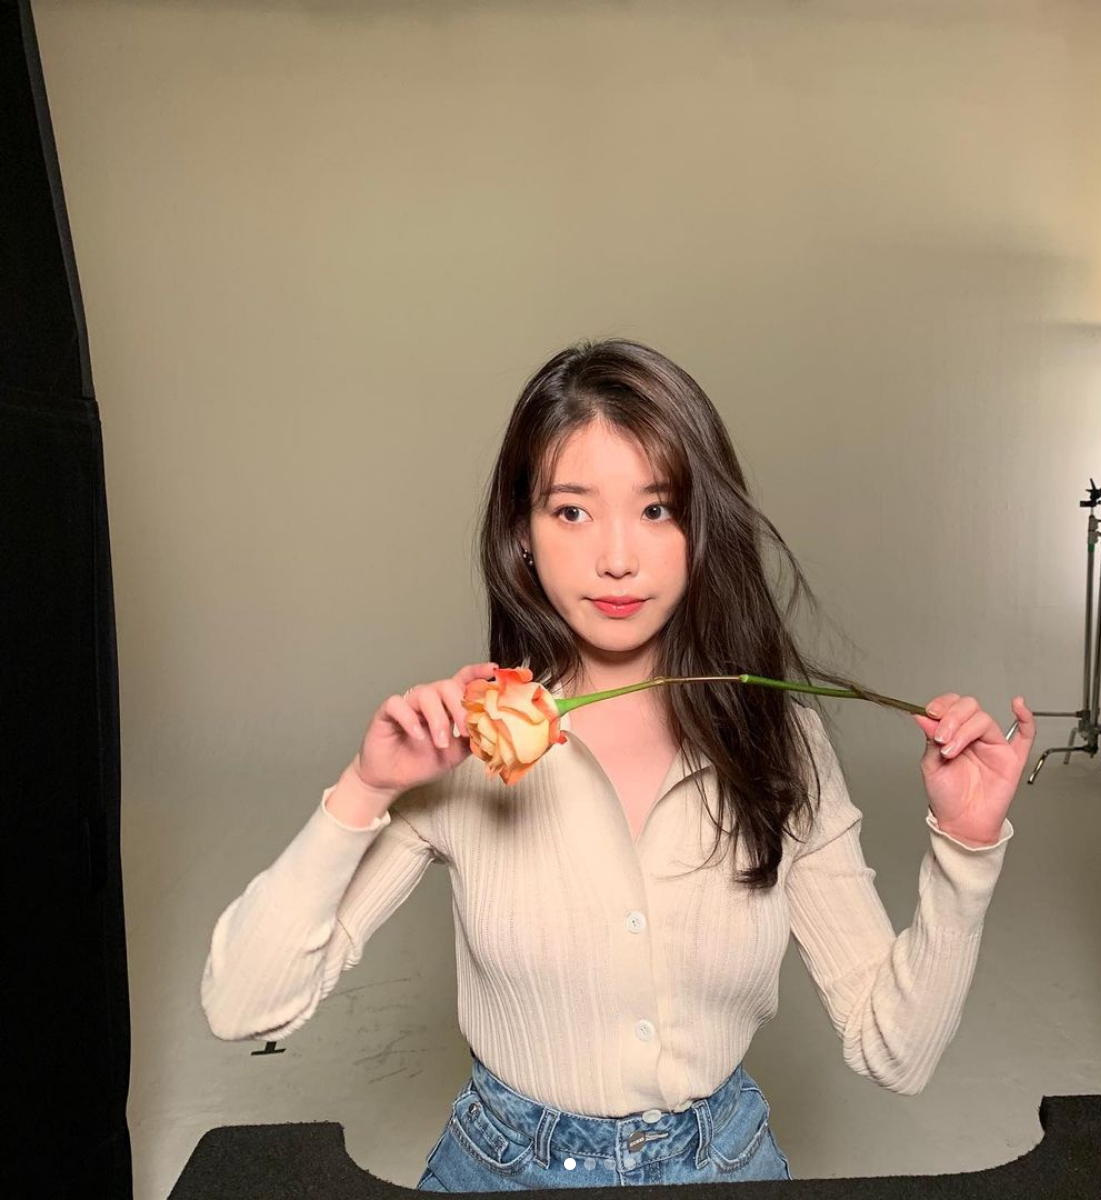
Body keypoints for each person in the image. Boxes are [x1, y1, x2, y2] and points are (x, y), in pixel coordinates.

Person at [200, 338, 1035, 1191]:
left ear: (702, 528)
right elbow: (243, 1007)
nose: (617, 558)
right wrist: (366, 787)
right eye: (572, 512)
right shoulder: (466, 741)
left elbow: (896, 1051)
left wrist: (966, 849)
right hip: (503, 1169)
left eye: (657, 508)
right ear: (522, 535)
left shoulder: (779, 740)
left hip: (725, 1165)